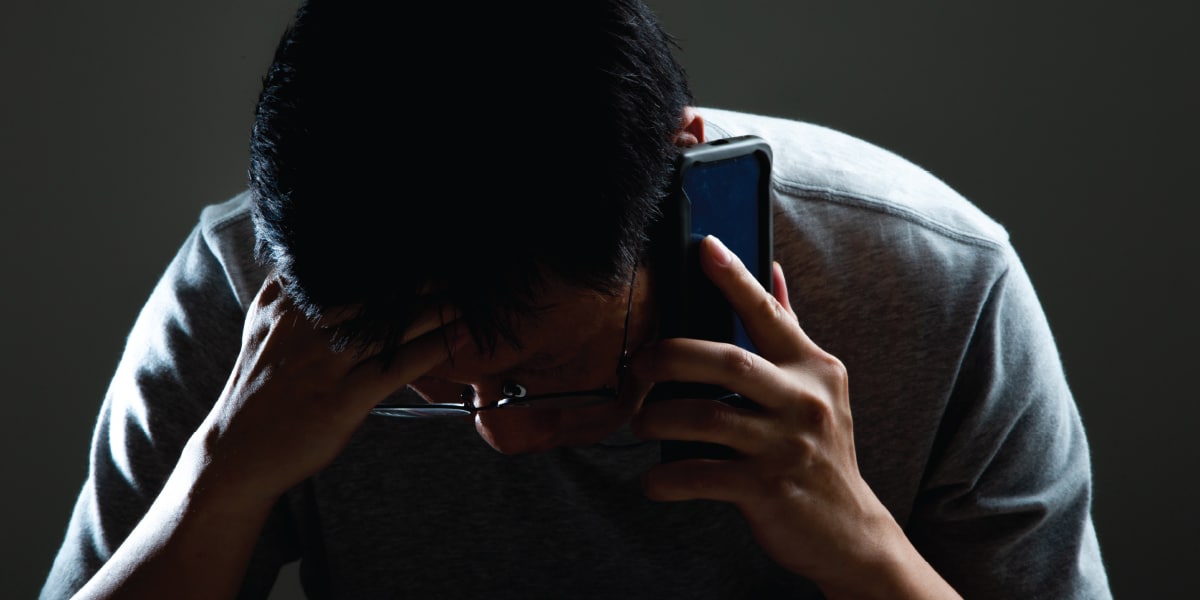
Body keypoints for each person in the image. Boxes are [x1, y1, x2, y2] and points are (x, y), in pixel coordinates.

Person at [42, 1, 1111, 598]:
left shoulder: (936, 282)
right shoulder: (247, 297)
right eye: (407, 376)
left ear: (675, 179)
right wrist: (220, 482)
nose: (496, 436)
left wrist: (860, 544)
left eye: (530, 372)